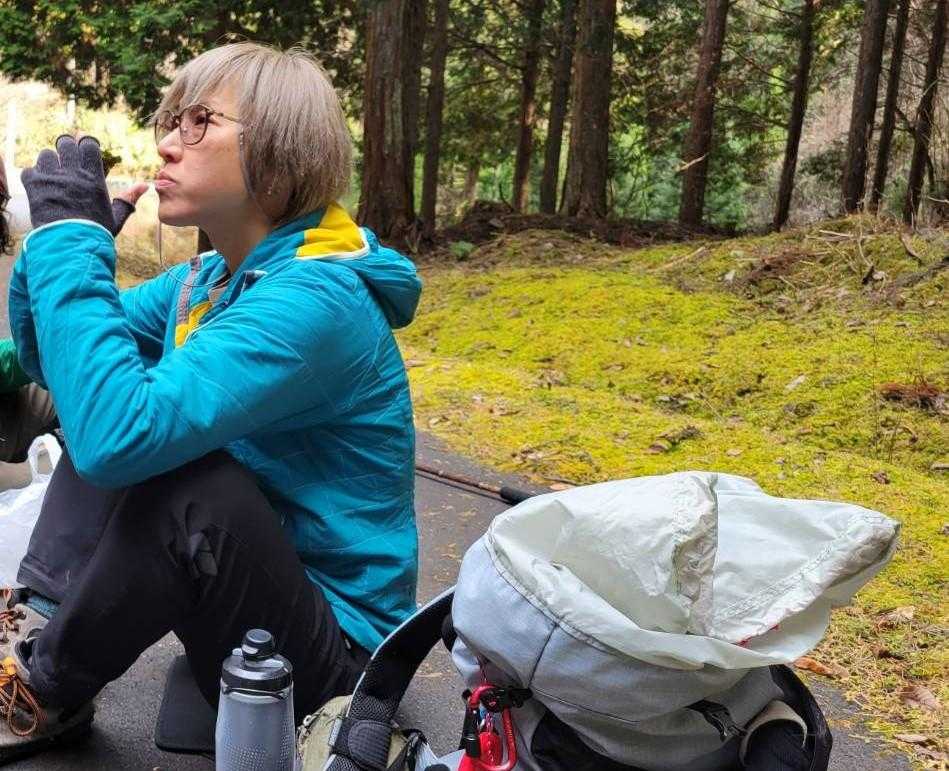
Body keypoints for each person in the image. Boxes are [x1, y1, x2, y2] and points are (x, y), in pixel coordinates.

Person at [0, 42, 421, 762]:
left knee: (179, 474)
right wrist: (58, 246)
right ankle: (35, 627)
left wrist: (73, 242)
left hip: (338, 660)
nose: (167, 142)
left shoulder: (316, 300)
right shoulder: (208, 277)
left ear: (279, 154)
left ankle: (46, 687)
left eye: (199, 122)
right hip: (258, 600)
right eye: (171, 121)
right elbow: (60, 365)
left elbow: (115, 437)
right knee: (108, 384)